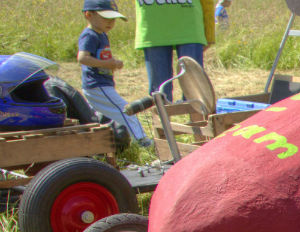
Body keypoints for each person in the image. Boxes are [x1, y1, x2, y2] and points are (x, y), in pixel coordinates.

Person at [77, 0, 151, 147]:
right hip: (96, 84)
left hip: (103, 83)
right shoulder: (89, 35)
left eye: (113, 19)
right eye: (106, 18)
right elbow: (82, 58)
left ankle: (110, 145)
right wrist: (108, 64)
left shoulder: (102, 34)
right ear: (89, 15)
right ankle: (142, 142)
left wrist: (113, 63)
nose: (110, 22)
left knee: (104, 115)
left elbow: (100, 57)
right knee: (125, 110)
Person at [134, 0, 214, 100]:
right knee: (159, 94)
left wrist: (209, 32)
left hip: (190, 25)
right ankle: (163, 115)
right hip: (153, 28)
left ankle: (196, 115)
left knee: (195, 91)